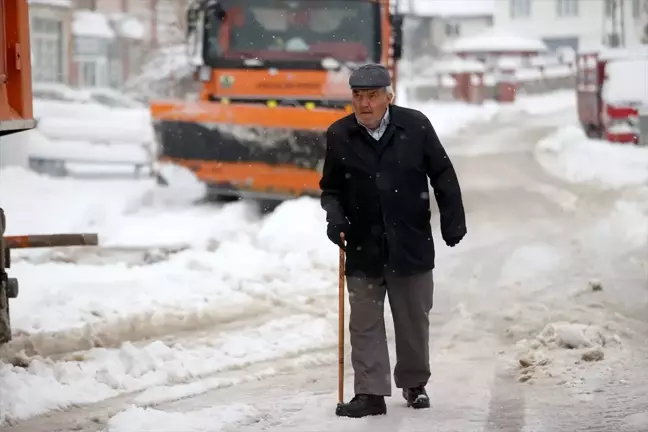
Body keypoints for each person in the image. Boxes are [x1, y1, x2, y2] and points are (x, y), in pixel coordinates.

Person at [319, 63, 467, 418]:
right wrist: (335, 217)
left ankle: (414, 383)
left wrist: (453, 220)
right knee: (365, 321)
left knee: (413, 318)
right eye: (358, 96)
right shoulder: (340, 135)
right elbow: (331, 189)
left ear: (389, 96)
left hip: (410, 241)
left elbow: (442, 173)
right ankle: (370, 393)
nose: (364, 104)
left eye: (371, 96)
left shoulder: (415, 126)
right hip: (362, 244)